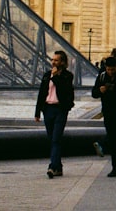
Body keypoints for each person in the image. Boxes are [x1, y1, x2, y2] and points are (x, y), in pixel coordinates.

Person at [34, 50, 75, 179]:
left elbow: (64, 91)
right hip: (48, 110)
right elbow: (41, 94)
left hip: (60, 110)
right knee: (52, 139)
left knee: (56, 139)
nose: (53, 62)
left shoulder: (67, 76)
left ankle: (52, 166)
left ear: (62, 62)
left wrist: (56, 77)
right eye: (52, 60)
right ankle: (58, 167)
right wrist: (37, 112)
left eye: (56, 60)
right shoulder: (47, 75)